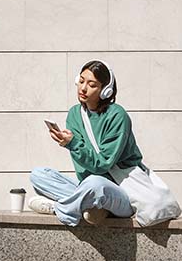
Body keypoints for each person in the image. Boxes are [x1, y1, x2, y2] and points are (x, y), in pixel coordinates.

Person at [28, 60, 147, 226]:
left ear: (105, 91)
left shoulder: (117, 116)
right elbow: (85, 164)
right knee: (38, 174)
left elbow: (103, 165)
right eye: (81, 81)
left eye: (91, 84)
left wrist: (73, 144)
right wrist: (69, 142)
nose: (83, 88)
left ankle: (59, 208)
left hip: (122, 192)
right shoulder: (75, 114)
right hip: (88, 188)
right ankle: (92, 207)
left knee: (96, 183)